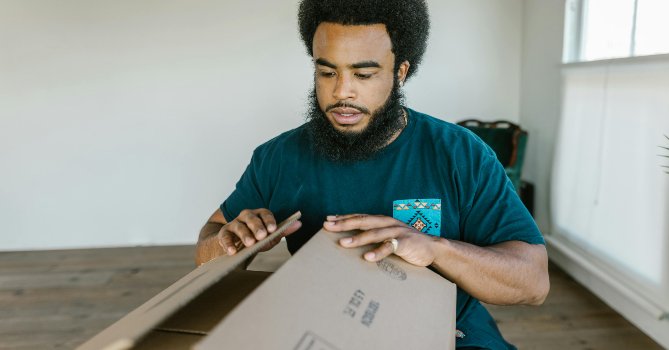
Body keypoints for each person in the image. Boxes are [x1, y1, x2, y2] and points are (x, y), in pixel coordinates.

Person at [194, 0, 549, 349]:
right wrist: (231, 240)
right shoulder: (278, 157)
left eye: (364, 74)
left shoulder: (459, 154)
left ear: (401, 72)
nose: (341, 91)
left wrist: (436, 249)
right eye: (326, 72)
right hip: (328, 328)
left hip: (450, 333)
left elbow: (533, 281)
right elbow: (207, 246)